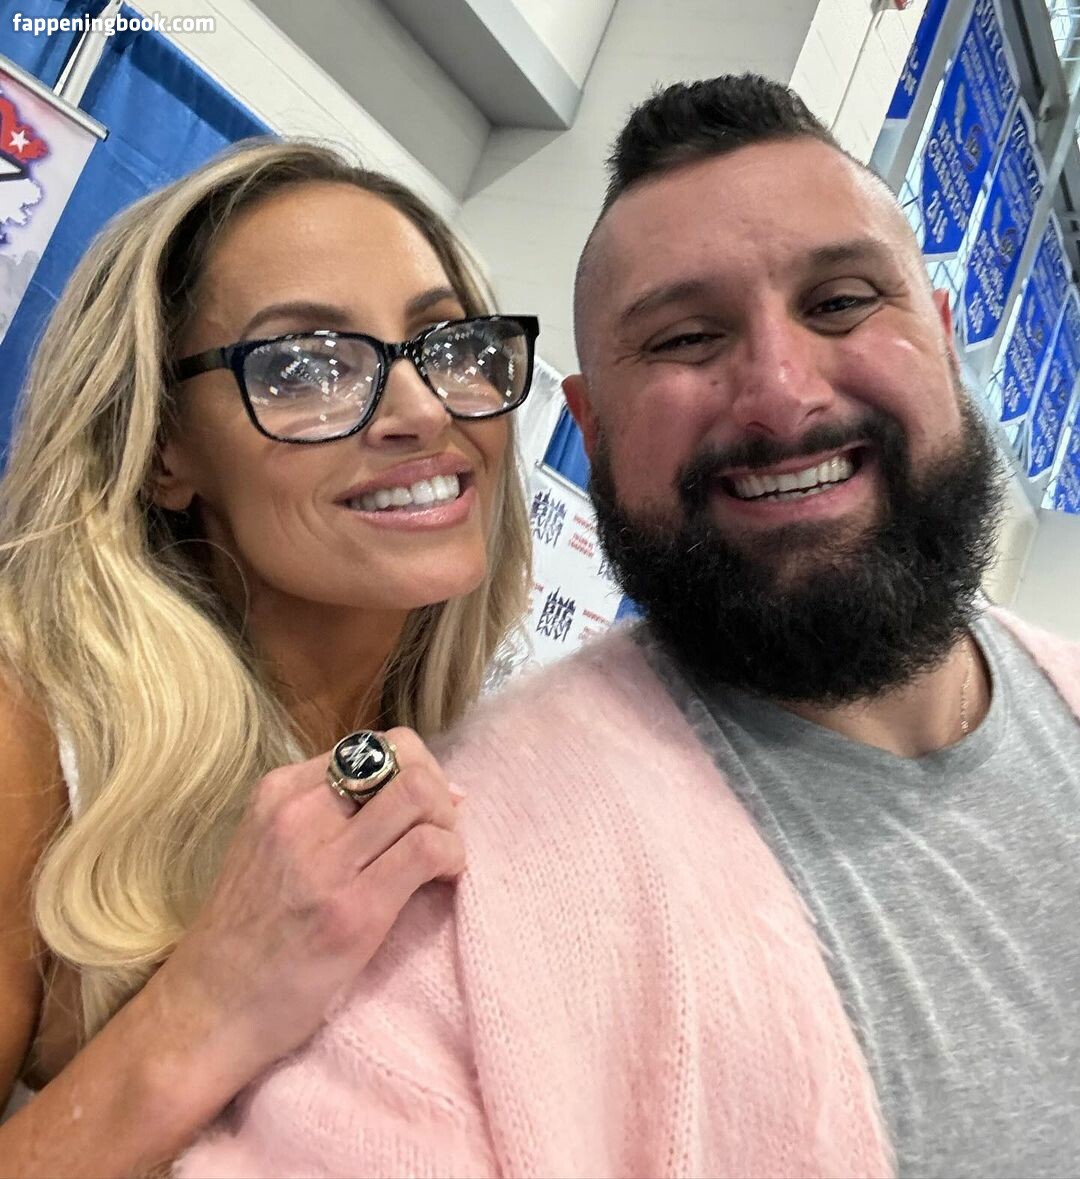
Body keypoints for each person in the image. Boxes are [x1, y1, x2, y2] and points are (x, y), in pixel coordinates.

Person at [179, 76, 1080, 1179]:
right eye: (688, 338)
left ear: (940, 336)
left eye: (842, 302)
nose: (782, 391)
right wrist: (189, 1022)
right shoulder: (461, 909)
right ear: (592, 428)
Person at [0, 138, 535, 1177]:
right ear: (166, 448)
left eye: (446, 345)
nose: (424, 411)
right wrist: (205, 1006)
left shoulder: (499, 769)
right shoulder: (31, 737)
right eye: (304, 367)